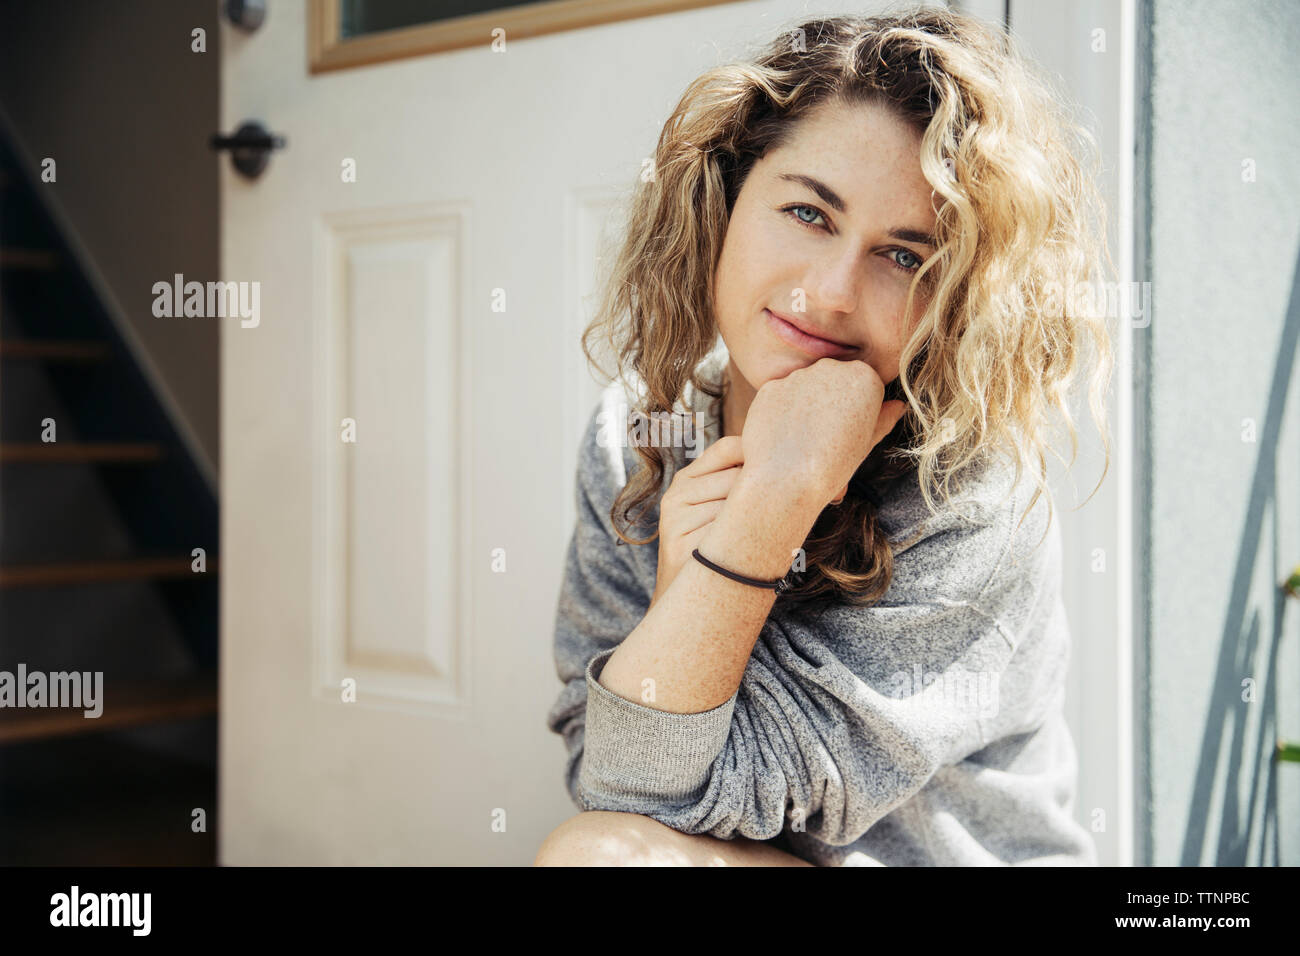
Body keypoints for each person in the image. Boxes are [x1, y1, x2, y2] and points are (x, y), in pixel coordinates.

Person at [536, 6, 1113, 866]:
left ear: (956, 299)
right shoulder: (640, 437)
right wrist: (678, 598)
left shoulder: (970, 499)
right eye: (809, 213)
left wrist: (773, 502)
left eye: (905, 257)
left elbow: (688, 802)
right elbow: (611, 778)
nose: (833, 293)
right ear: (727, 199)